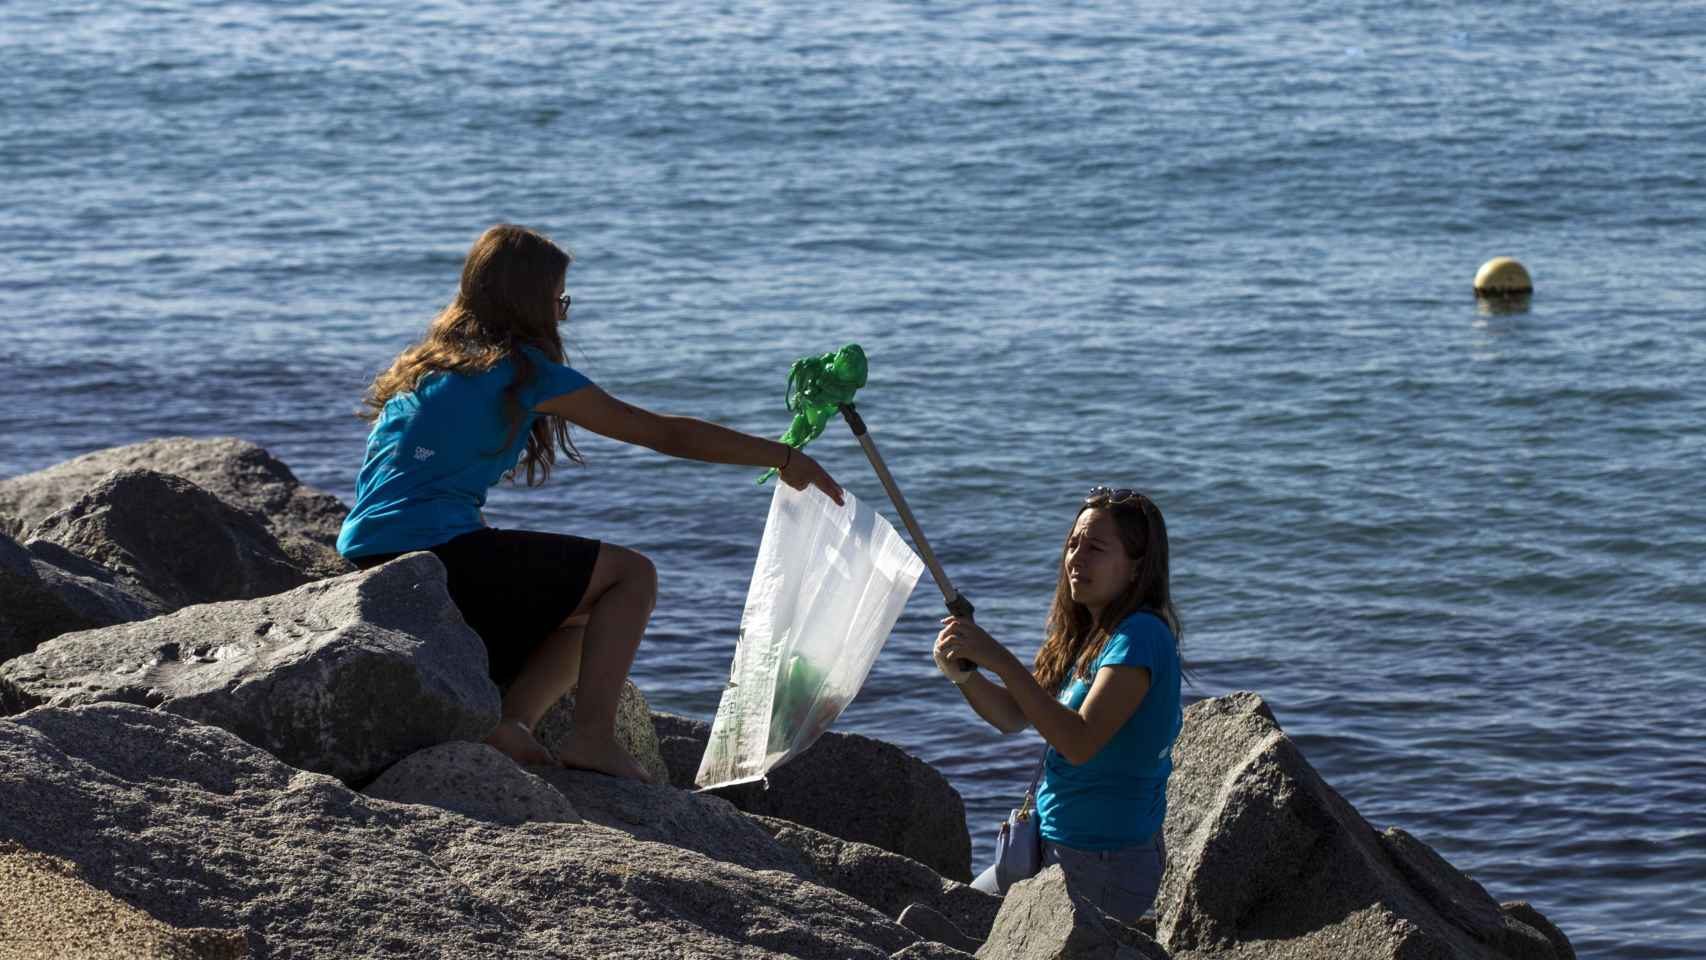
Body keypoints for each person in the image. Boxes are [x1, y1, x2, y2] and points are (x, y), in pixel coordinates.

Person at [336, 223, 842, 783]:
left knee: (588, 614)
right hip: (437, 558)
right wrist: (783, 457)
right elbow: (662, 433)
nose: (562, 313)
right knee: (631, 577)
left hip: (371, 560)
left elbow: (402, 480)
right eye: (559, 300)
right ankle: (593, 738)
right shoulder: (520, 371)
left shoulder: (427, 365)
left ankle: (513, 724)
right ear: (532, 301)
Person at [933, 486, 1183, 923]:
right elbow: (1013, 715)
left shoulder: (1140, 637)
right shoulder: (1086, 633)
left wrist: (999, 658)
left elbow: (1079, 741)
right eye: (1073, 544)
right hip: (1044, 848)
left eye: (1096, 548)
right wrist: (966, 674)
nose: (1076, 558)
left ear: (1135, 567)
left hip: (1104, 865)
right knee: (950, 919)